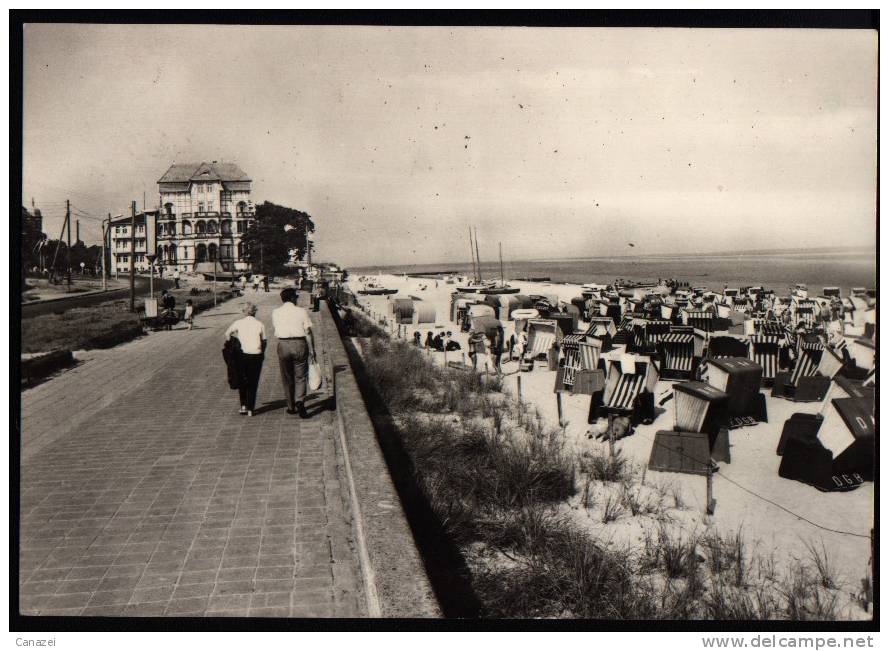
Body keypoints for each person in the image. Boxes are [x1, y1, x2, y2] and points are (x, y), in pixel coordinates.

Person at [272, 288, 316, 418]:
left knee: (287, 377)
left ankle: (291, 407)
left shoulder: (275, 312)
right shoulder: (301, 311)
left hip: (283, 344)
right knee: (301, 376)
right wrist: (312, 350)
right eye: (295, 297)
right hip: (299, 344)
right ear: (292, 298)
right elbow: (308, 332)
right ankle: (300, 401)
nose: (297, 299)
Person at [225, 302, 267, 417]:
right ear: (254, 312)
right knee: (253, 382)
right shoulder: (260, 324)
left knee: (242, 380)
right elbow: (264, 341)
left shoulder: (238, 323)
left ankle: (243, 406)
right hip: (256, 355)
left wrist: (233, 344)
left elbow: (227, 334)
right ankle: (250, 408)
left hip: (241, 355)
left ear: (244, 312)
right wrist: (262, 353)